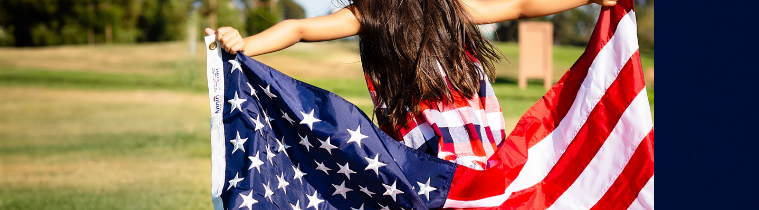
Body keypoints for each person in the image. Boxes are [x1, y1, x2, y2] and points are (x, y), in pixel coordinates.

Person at [206, 0, 617, 169]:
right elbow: (298, 28)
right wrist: (246, 45)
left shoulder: (449, 8)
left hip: (480, 159)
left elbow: (522, 4)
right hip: (424, 163)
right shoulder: (369, 14)